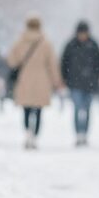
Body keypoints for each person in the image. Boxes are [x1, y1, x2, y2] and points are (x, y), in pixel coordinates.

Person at [7, 14, 61, 150]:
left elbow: (11, 61)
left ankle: (27, 133)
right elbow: (52, 64)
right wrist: (57, 81)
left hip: (24, 80)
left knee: (26, 109)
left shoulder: (19, 42)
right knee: (38, 110)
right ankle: (34, 136)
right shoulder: (46, 43)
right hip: (42, 81)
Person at [60, 21, 99, 146]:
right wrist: (65, 78)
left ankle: (85, 133)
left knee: (88, 109)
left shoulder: (93, 45)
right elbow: (64, 62)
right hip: (75, 83)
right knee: (77, 108)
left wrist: (95, 75)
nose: (83, 35)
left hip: (90, 83)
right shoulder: (71, 45)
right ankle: (78, 133)